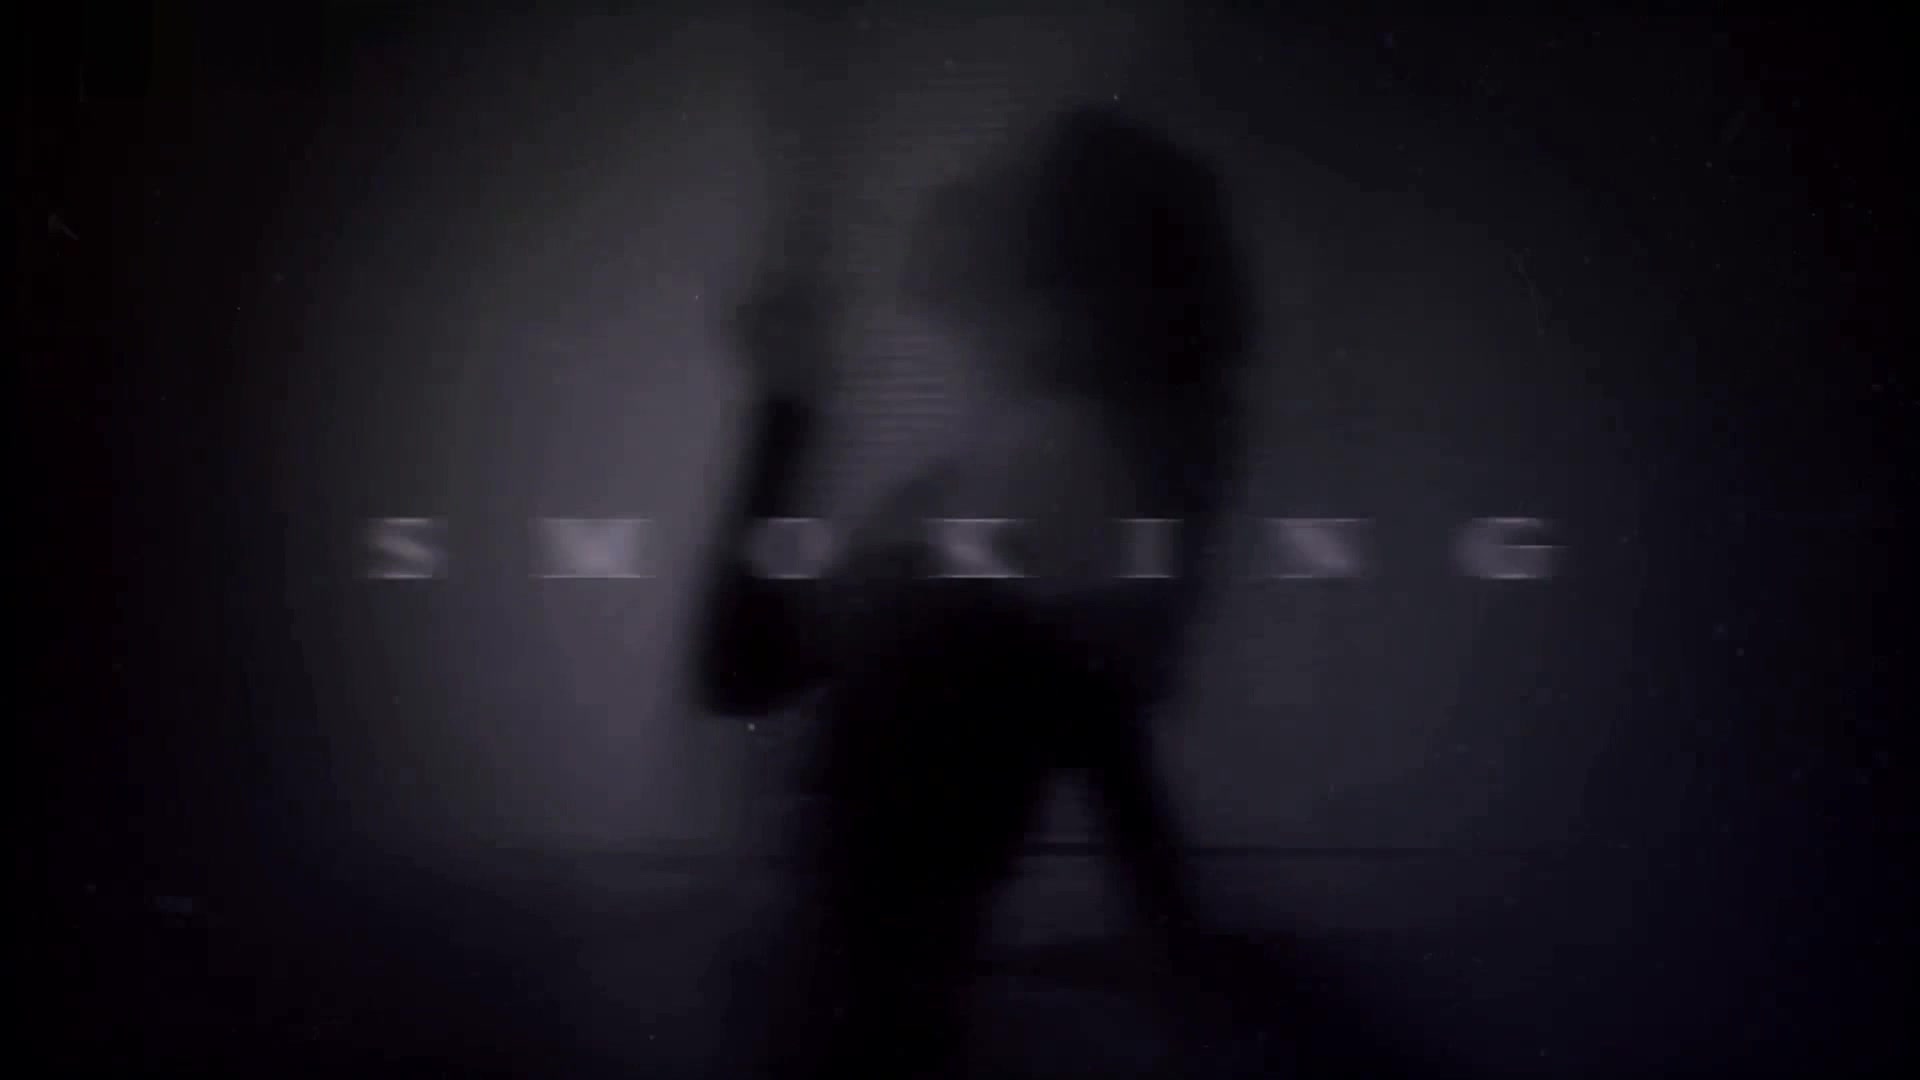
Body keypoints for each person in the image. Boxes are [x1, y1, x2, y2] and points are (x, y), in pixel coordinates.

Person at [689, 104, 1252, 1077]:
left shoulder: (1030, 503)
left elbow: (742, 667)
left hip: (852, 1034)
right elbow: (749, 667)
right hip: (863, 1024)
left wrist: (787, 406)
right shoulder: (1024, 510)